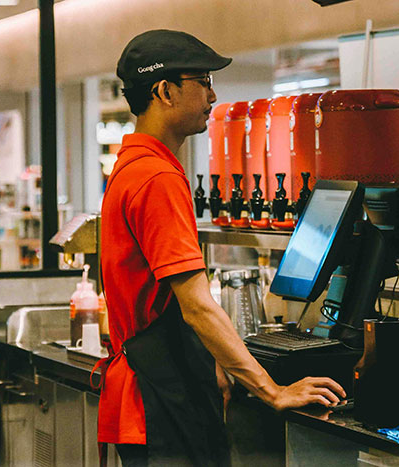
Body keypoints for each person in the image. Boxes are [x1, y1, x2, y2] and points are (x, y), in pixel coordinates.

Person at [98, 30, 346, 467]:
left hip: (155, 390)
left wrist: (214, 361)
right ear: (165, 91)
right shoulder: (156, 179)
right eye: (204, 81)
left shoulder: (132, 167)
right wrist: (272, 390)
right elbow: (195, 304)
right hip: (159, 403)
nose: (214, 95)